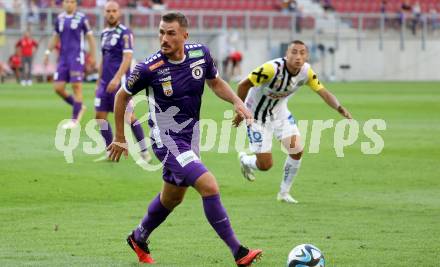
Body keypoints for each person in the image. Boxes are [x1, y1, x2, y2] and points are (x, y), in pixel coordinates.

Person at [107, 12, 262, 266]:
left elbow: (215, 82)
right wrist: (121, 137)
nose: (163, 38)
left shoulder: (200, 53)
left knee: (172, 198)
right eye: (161, 32)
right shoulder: (148, 67)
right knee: (209, 185)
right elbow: (121, 97)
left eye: (170, 33)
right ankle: (239, 252)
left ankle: (138, 237)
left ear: (184, 35)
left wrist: (237, 102)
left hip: (190, 137)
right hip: (167, 140)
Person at [234, 40, 352, 204]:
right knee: (265, 165)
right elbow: (243, 85)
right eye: (294, 52)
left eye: (302, 53)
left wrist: (339, 108)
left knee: (296, 150)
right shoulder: (271, 69)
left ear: (307, 56)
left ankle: (284, 193)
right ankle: (245, 160)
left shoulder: (306, 72)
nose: (298, 56)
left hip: (280, 114)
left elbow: (323, 92)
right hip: (256, 117)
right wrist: (241, 110)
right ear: (286, 54)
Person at [95, 1, 151, 162]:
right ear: (104, 13)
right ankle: (110, 150)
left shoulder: (125, 33)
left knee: (129, 117)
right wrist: (99, 81)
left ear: (119, 13)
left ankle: (144, 151)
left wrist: (117, 78)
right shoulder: (104, 33)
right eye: (108, 11)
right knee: (100, 116)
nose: (111, 13)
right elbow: (103, 59)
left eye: (114, 11)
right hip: (105, 83)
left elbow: (127, 58)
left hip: (120, 84)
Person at [43, 0, 96, 129]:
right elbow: (55, 37)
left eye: (72, 2)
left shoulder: (81, 18)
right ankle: (79, 106)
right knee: (58, 88)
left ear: (75, 4)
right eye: (66, 2)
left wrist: (93, 55)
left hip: (76, 58)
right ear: (63, 4)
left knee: (76, 87)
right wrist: (47, 52)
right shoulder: (60, 18)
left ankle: (74, 120)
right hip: (63, 59)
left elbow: (90, 37)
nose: (69, 4)